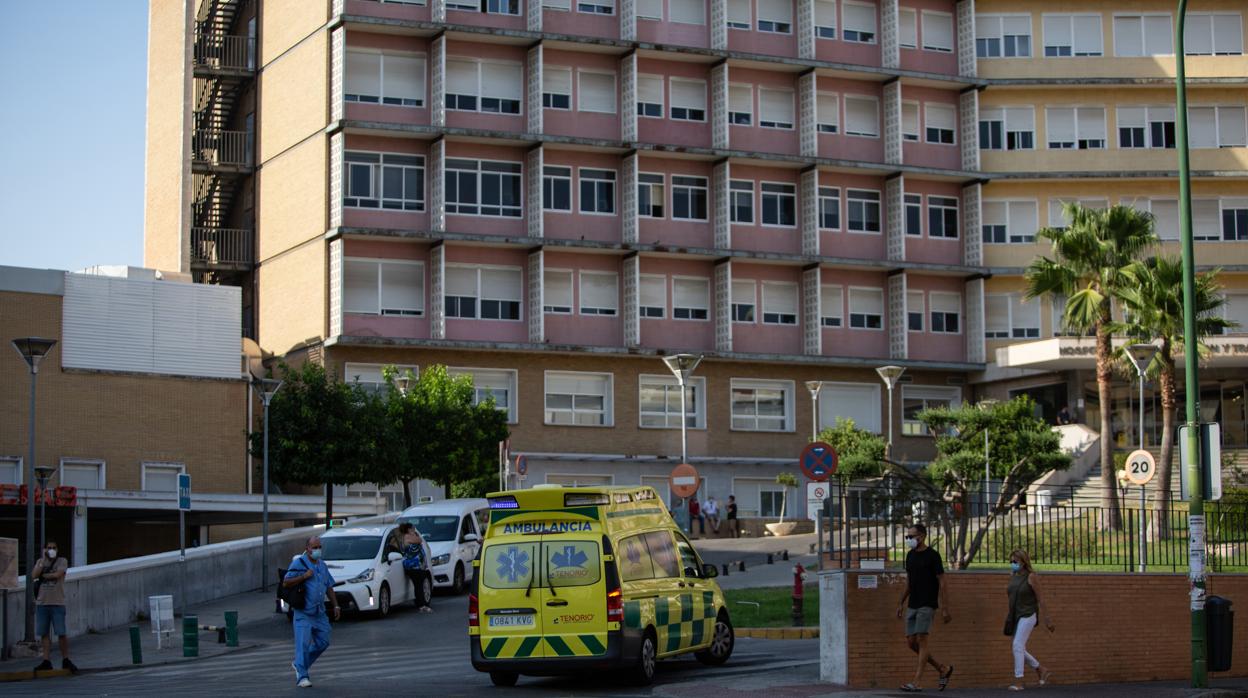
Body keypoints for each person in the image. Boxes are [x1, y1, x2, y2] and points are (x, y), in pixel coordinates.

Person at [895, 523, 953, 693]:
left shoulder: (933, 556)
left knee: (922, 639)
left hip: (927, 604)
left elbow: (942, 582)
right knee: (911, 643)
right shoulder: (910, 555)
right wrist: (900, 602)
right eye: (907, 537)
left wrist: (945, 608)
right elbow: (909, 581)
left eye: (911, 536)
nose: (908, 539)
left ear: (921, 536)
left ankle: (917, 682)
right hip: (913, 603)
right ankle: (942, 668)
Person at [283, 535, 341, 688]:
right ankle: (302, 676)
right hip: (303, 612)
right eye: (315, 547)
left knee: (323, 642)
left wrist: (336, 605)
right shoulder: (299, 563)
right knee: (303, 645)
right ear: (307, 548)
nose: (318, 550)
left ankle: (299, 664)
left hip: (319, 612)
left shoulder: (322, 565)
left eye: (319, 547)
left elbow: (329, 586)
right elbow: (286, 582)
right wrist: (304, 576)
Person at [1004, 549, 1055, 691]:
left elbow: (1041, 599)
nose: (1012, 563)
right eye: (1011, 561)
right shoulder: (1013, 576)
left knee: (1017, 645)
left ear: (1023, 561)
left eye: (1015, 561)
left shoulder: (1031, 577)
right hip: (1015, 615)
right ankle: (1041, 669)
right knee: (1018, 647)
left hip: (1028, 614)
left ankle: (1019, 682)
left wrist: (1047, 619)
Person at [32, 540, 76, 673]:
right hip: (42, 603)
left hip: (57, 602)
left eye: (54, 547)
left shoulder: (62, 561)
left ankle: (65, 659)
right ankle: (46, 660)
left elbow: (58, 574)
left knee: (61, 633)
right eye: (49, 547)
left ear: (57, 549)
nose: (51, 549)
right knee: (44, 633)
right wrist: (43, 560)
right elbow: (34, 575)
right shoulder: (40, 561)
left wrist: (45, 575)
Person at [399, 523, 433, 613]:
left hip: (418, 566)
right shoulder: (407, 537)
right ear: (409, 529)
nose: (414, 530)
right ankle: (421, 605)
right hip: (413, 566)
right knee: (418, 585)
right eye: (413, 528)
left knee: (419, 584)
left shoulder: (411, 536)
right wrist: (415, 535)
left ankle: (421, 604)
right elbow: (419, 540)